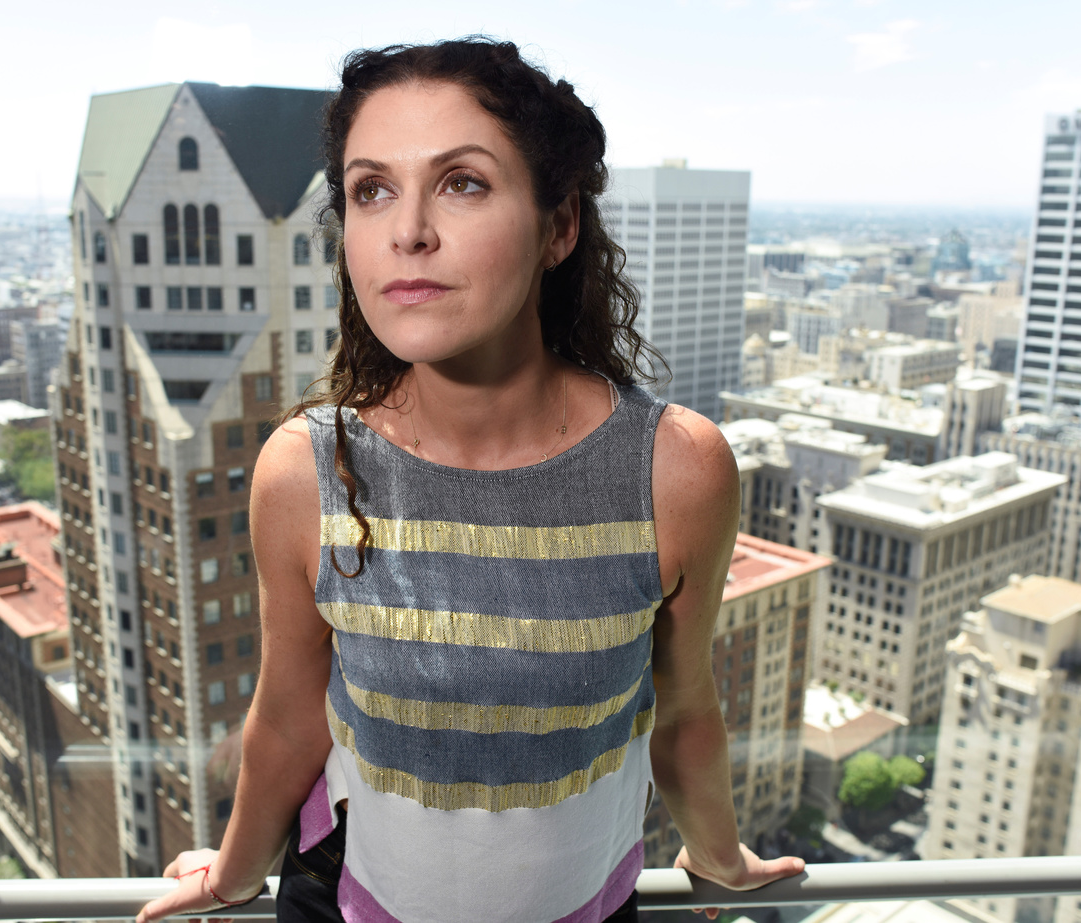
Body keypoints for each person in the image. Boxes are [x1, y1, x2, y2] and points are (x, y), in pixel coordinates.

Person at [136, 37, 804, 923]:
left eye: (462, 183)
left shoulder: (674, 468)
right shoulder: (306, 470)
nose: (408, 230)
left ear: (559, 226)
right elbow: (289, 715)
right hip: (345, 900)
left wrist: (718, 858)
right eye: (372, 190)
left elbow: (682, 708)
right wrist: (233, 872)